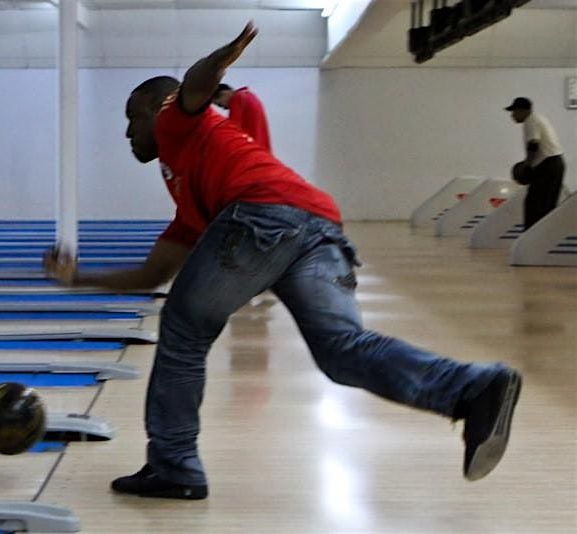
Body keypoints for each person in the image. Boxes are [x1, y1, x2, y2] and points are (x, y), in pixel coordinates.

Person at [46, 22, 522, 500]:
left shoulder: (175, 120)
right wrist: (77, 279)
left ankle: (174, 466)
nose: (127, 131)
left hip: (261, 214)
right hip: (316, 223)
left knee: (184, 327)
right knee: (341, 349)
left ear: (156, 108)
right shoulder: (192, 195)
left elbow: (193, 86)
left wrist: (219, 59)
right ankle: (472, 387)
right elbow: (151, 274)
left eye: (131, 117)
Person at [505, 97, 566, 230]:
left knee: (534, 206)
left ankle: (532, 240)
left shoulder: (530, 120)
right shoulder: (539, 118)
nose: (512, 115)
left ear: (522, 110)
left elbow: (533, 145)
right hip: (555, 163)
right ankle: (542, 239)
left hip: (548, 165)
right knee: (546, 206)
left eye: (514, 112)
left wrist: (526, 166)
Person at [212, 83, 272, 152]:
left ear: (223, 93)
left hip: (250, 150)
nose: (224, 108)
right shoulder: (249, 95)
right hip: (262, 150)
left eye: (220, 105)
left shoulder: (237, 98)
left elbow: (232, 130)